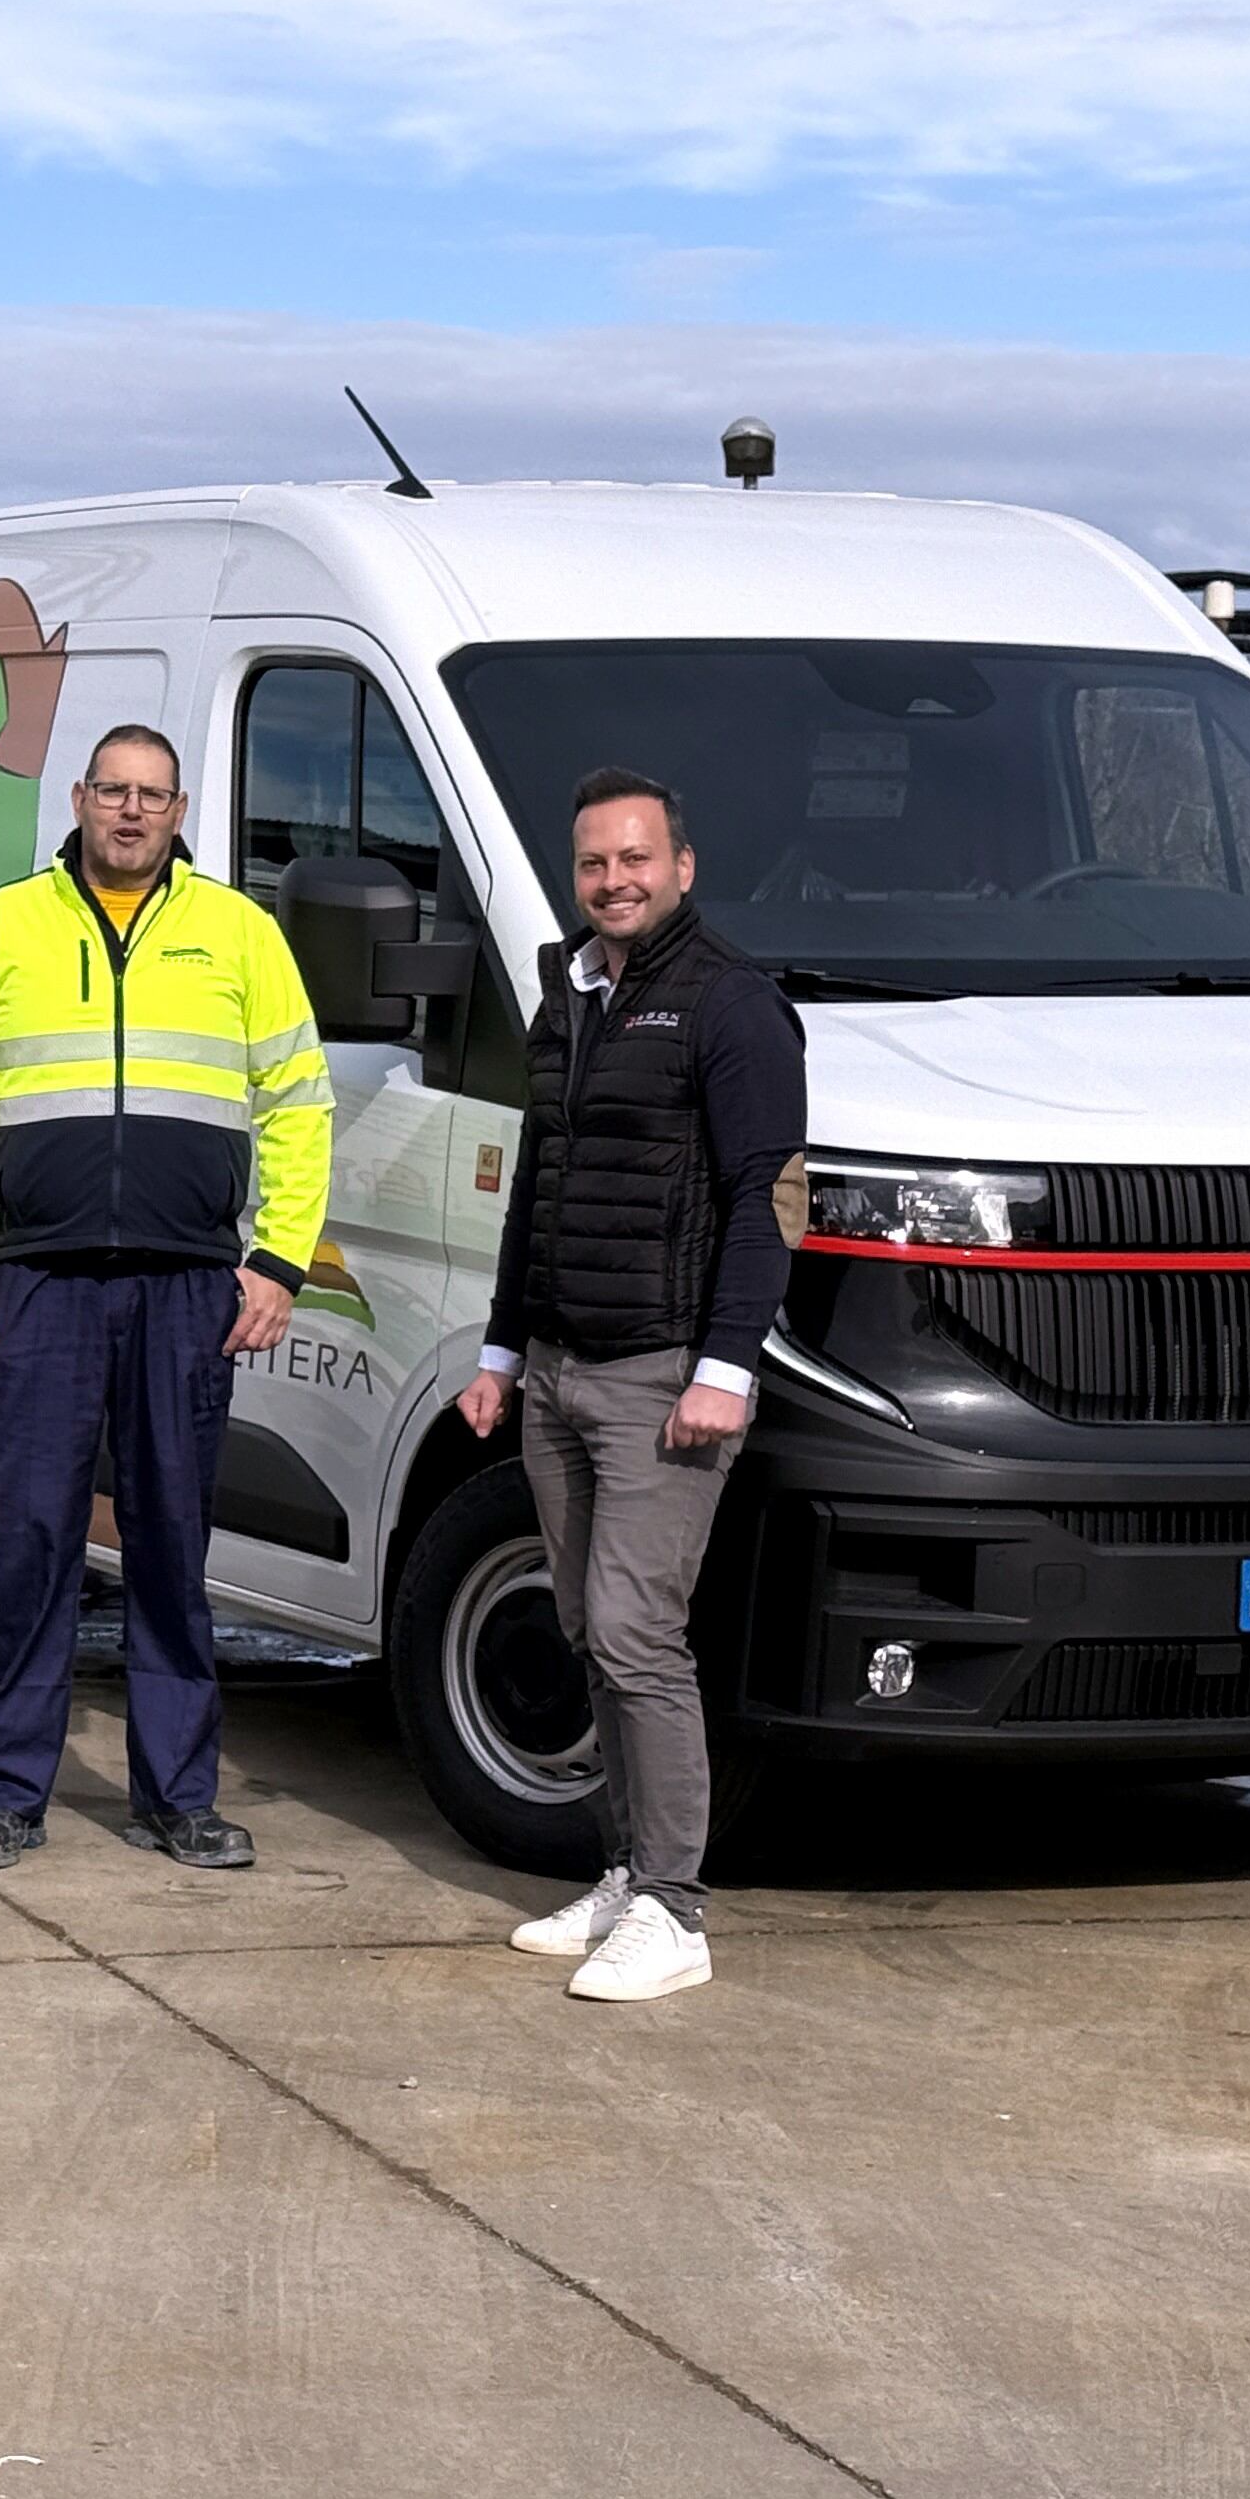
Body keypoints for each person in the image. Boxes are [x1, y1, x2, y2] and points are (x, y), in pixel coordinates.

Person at [0, 722, 330, 1874]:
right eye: (113, 791)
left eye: (154, 796)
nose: (132, 812)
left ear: (180, 811)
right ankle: (6, 1795)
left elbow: (299, 1103)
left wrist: (278, 1261)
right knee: (31, 1541)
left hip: (189, 1285)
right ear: (82, 798)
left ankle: (178, 1796)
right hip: (38, 1283)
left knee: (171, 1543)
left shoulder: (238, 933)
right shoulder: (2, 926)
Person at [457, 765, 806, 2004]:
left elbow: (768, 1202)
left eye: (636, 859)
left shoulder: (733, 1006)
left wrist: (725, 1369)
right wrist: (502, 1353)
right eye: (595, 862)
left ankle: (675, 1909)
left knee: (639, 1633)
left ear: (683, 867)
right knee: (587, 1630)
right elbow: (538, 1191)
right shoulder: (570, 997)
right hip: (556, 1367)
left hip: (663, 1377)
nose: (615, 880)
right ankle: (624, 1873)